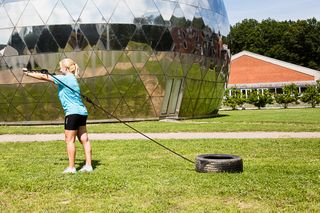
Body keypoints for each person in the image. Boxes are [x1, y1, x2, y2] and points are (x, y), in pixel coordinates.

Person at [23, 58, 93, 174]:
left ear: (65, 68)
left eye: (61, 67)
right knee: (84, 139)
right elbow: (50, 76)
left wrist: (28, 73)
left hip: (72, 113)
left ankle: (71, 168)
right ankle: (89, 166)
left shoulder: (64, 79)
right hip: (82, 112)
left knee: (69, 140)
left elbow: (44, 77)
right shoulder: (72, 79)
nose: (59, 69)